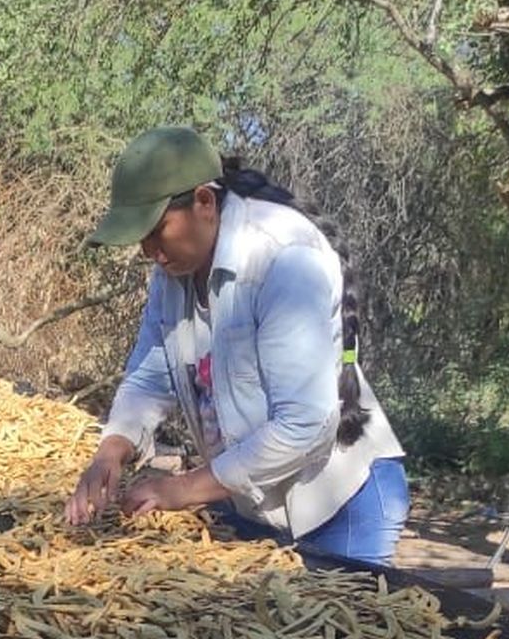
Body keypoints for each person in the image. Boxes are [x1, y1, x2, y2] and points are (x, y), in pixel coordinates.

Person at [65, 126, 408, 567]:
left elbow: (305, 422)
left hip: (335, 504)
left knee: (327, 631)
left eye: (157, 231)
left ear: (204, 202)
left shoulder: (282, 257)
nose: (150, 251)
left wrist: (184, 488)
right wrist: (110, 451)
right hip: (250, 502)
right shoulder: (172, 272)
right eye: (141, 239)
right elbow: (151, 376)